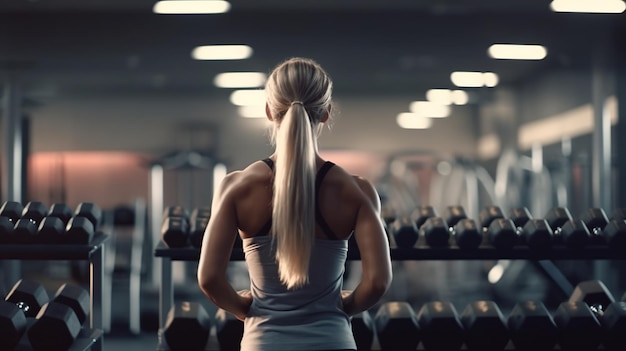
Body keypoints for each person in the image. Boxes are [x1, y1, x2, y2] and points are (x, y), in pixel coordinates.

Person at [197, 57, 392, 351]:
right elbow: (378, 281)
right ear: (326, 113)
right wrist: (342, 307)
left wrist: (243, 308)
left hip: (264, 342)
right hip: (333, 341)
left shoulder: (236, 187)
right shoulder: (357, 190)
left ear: (268, 111)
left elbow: (209, 278)